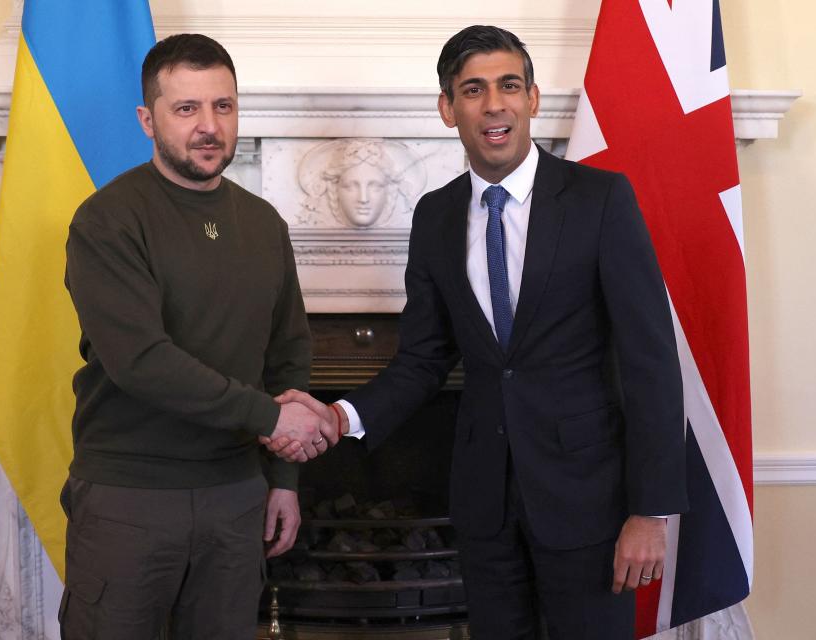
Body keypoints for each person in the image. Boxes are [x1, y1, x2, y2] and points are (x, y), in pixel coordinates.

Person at [265, 25, 688, 640]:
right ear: (447, 108)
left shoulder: (600, 199)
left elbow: (651, 360)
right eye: (473, 89)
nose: (495, 104)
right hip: (484, 504)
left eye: (509, 86)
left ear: (533, 99)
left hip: (587, 504)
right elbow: (423, 359)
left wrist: (650, 512)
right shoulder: (434, 215)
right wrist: (338, 418)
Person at [59, 33, 330, 640]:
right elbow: (142, 362)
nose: (209, 126)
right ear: (147, 120)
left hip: (236, 498)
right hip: (129, 501)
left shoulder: (263, 224)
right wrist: (269, 418)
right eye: (187, 109)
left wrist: (283, 480)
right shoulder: (106, 221)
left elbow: (289, 354)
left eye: (223, 106)